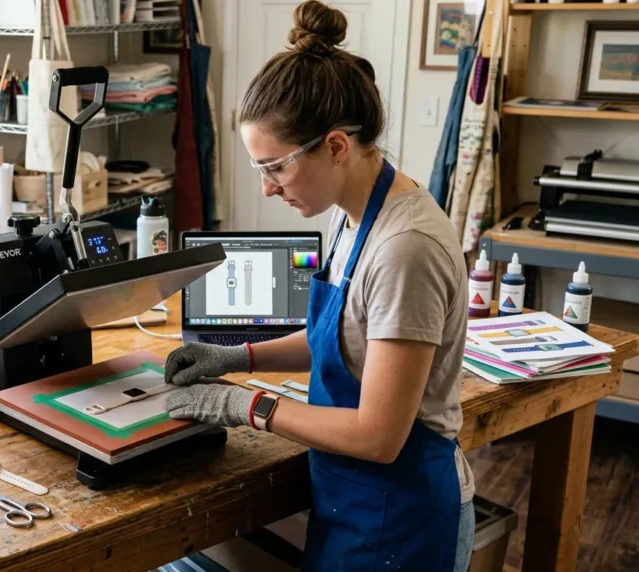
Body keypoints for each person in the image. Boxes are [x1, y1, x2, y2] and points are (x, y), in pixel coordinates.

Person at [164, 2, 475, 570]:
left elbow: (379, 434)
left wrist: (246, 405)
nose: (266, 188)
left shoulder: (405, 247)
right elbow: (341, 339)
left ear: (336, 146)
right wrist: (234, 357)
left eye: (274, 167)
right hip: (352, 499)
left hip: (402, 514)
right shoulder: (349, 212)